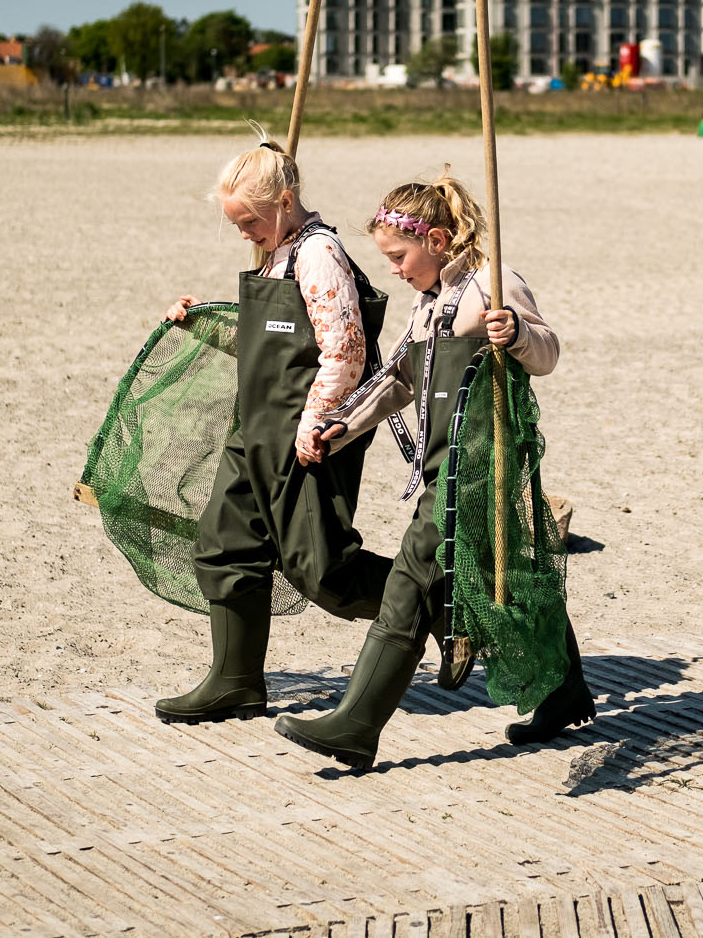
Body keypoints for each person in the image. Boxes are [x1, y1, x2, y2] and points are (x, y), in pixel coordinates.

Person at [275, 171, 590, 771]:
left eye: (399, 256)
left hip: (478, 469)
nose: (392, 269)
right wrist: (342, 425)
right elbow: (398, 378)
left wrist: (517, 333)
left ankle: (356, 725)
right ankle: (564, 691)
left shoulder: (490, 287)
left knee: (410, 582)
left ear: (439, 240)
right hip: (439, 464)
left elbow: (548, 353)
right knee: (514, 579)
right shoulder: (427, 306)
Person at [152, 134, 392, 725]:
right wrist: (202, 323)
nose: (243, 234)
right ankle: (235, 682)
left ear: (285, 200)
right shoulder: (277, 253)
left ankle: (437, 603)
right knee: (225, 547)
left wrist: (315, 425)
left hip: (306, 439)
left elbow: (346, 353)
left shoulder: (318, 254)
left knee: (323, 570)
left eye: (250, 220)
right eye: (235, 223)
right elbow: (267, 346)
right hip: (253, 432)